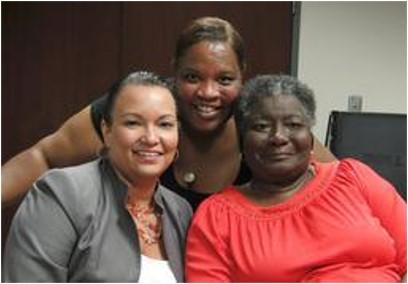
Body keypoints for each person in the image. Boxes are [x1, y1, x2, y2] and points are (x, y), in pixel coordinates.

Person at [2, 17, 336, 210]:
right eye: (192, 77)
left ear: (242, 76)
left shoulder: (260, 120)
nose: (208, 93)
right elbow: (44, 156)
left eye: (224, 79)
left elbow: (341, 183)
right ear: (174, 72)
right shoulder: (139, 105)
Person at [185, 74, 407, 282]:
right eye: (261, 126)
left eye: (293, 124)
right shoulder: (217, 217)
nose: (278, 137)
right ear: (242, 141)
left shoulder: (354, 177)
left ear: (310, 139)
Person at [2, 71, 192, 282]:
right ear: (107, 131)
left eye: (164, 124)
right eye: (133, 123)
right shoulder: (62, 194)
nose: (150, 138)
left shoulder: (180, 212)